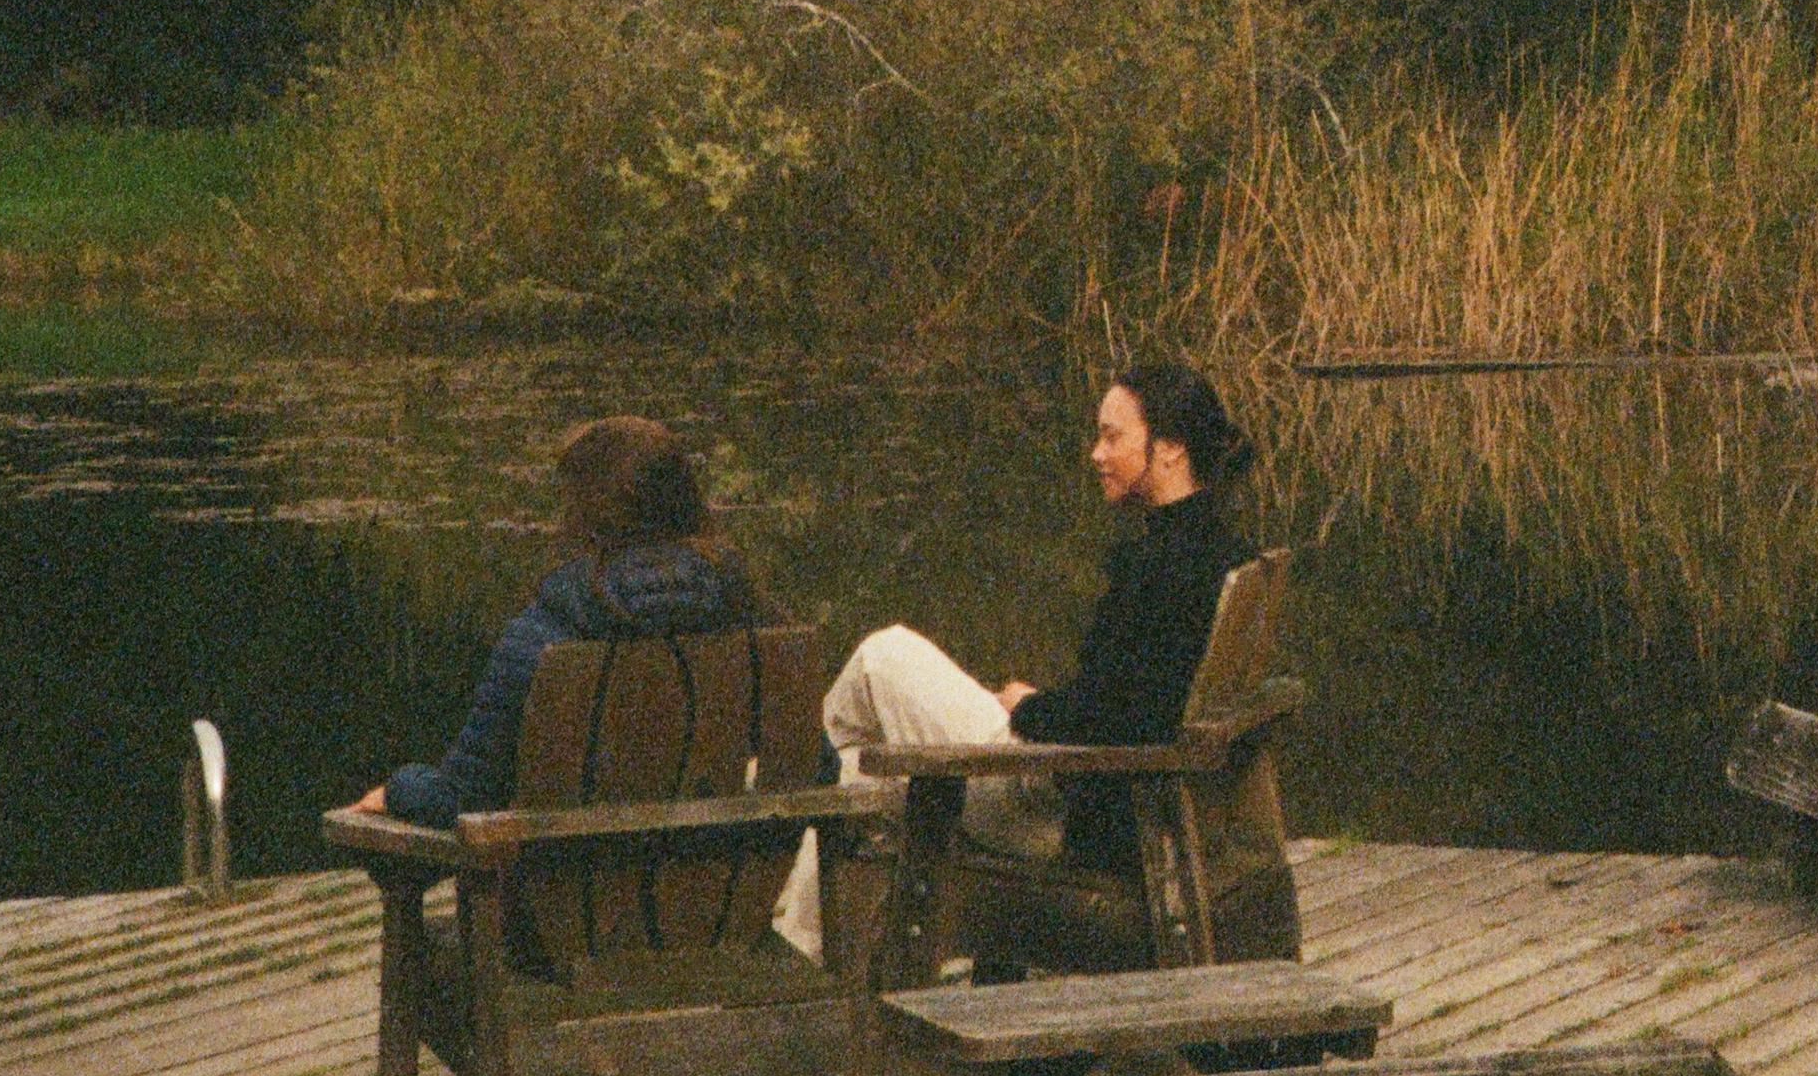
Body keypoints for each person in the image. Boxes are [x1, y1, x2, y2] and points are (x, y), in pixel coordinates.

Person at [770, 360, 1256, 956]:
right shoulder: (1219, 551)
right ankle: (796, 943)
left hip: (1060, 807)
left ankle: (783, 781)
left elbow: (1123, 717)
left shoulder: (1162, 567)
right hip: (1116, 796)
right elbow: (1132, 699)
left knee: (882, 655)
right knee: (850, 775)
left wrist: (1029, 708)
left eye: (1113, 437)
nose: (1097, 454)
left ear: (1172, 448)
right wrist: (1048, 707)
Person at [346, 414, 757, 834]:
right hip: (717, 869)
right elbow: (792, 757)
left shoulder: (548, 630)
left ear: (581, 515)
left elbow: (465, 797)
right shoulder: (745, 615)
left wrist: (398, 789)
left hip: (564, 873)